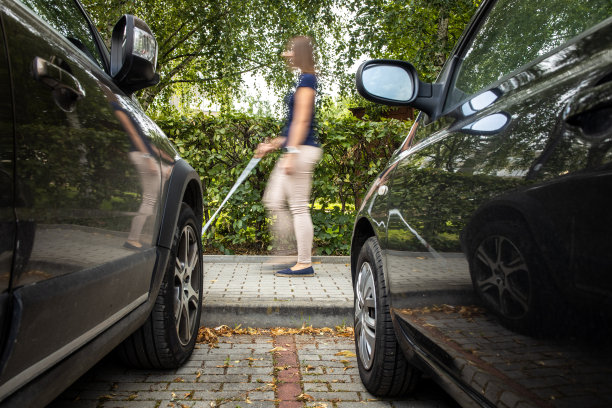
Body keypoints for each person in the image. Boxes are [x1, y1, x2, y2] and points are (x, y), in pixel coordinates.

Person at [255, 36, 322, 277]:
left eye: (290, 51)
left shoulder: (307, 80)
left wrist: (292, 153)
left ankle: (304, 262)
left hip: (301, 151)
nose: (286, 55)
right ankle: (287, 253)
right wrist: (271, 146)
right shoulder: (304, 78)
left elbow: (302, 121)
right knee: (273, 201)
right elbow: (293, 126)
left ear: (299, 54)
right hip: (295, 149)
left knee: (298, 207)